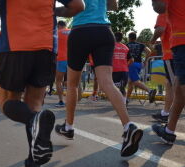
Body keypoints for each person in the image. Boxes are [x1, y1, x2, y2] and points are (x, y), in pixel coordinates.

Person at [0, 0, 84, 167]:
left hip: (15, 43)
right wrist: (54, 11)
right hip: (46, 46)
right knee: (34, 104)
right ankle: (33, 163)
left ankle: (34, 120)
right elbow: (78, 6)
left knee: (6, 103)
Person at [55, 0, 144, 157]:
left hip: (81, 30)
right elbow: (114, 6)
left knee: (72, 84)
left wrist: (53, 11)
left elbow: (72, 7)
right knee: (107, 82)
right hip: (104, 31)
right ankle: (128, 126)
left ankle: (68, 127)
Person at [152, 0, 185, 145]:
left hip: (181, 42)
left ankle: (168, 124)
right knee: (177, 88)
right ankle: (169, 131)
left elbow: (160, 7)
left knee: (178, 88)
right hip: (178, 44)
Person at [150, 13, 174, 122]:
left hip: (171, 54)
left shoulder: (164, 13)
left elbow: (160, 29)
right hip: (176, 53)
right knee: (169, 84)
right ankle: (165, 112)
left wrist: (152, 40)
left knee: (175, 86)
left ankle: (169, 115)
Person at [126, 32, 157, 105]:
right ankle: (127, 99)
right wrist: (145, 61)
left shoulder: (126, 45)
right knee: (130, 82)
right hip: (139, 64)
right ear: (135, 38)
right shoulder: (141, 45)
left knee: (135, 81)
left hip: (131, 63)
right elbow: (149, 51)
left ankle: (150, 91)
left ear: (129, 38)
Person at [112, 32, 132, 102]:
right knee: (122, 88)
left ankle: (118, 103)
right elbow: (131, 59)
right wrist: (126, 65)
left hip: (114, 70)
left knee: (114, 88)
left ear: (114, 37)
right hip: (124, 70)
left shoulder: (111, 46)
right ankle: (123, 102)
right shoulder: (125, 47)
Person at [55, 21, 71, 107]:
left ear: (59, 26)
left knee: (58, 81)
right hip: (72, 59)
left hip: (61, 59)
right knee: (69, 81)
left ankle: (61, 101)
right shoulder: (72, 31)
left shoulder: (57, 33)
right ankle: (72, 100)